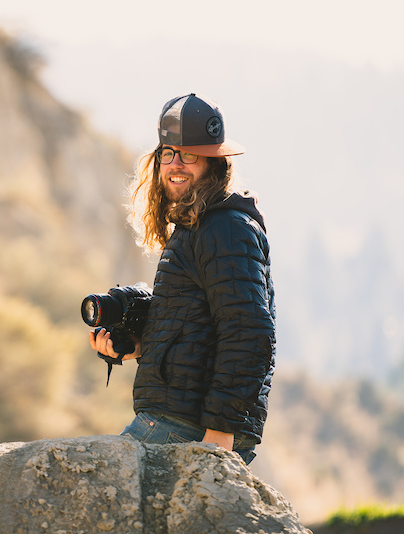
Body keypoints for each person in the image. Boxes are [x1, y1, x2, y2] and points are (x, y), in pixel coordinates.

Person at [89, 93, 275, 464]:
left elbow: (250, 331)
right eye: (168, 152)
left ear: (214, 162)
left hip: (186, 427)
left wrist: (219, 436)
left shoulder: (224, 228)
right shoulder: (199, 225)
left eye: (189, 154)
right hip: (178, 420)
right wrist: (139, 344)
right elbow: (199, 328)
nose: (176, 164)